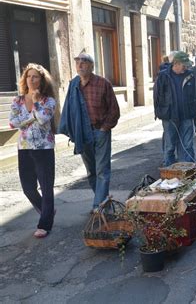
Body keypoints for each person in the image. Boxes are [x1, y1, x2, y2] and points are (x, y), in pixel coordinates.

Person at [59, 52, 120, 211]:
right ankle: (102, 201)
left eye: (84, 62)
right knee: (91, 172)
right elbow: (69, 109)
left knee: (102, 170)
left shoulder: (103, 83)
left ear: (92, 66)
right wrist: (72, 130)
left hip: (100, 131)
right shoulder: (74, 85)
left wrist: (104, 128)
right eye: (78, 61)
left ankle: (98, 205)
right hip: (82, 134)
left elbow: (114, 110)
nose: (80, 65)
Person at [9, 63, 56, 238]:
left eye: (35, 76)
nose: (31, 79)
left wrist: (36, 103)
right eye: (28, 76)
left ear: (41, 80)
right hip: (25, 148)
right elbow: (13, 122)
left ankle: (45, 223)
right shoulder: (18, 100)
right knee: (28, 188)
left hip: (44, 148)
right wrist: (32, 118)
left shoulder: (48, 101)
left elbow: (43, 119)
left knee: (46, 186)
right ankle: (48, 210)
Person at [153, 51, 196, 166]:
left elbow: (194, 95)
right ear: (176, 63)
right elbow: (157, 96)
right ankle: (169, 172)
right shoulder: (164, 76)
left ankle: (188, 171)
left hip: (186, 115)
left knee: (187, 145)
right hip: (169, 116)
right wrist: (160, 112)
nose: (186, 67)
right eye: (184, 65)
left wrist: (194, 111)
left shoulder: (190, 75)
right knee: (170, 146)